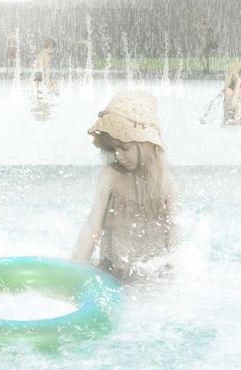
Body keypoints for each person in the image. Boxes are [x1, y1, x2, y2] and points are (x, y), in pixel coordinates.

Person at [70, 89, 177, 282]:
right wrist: (72, 273)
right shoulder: (111, 176)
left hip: (149, 273)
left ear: (146, 144)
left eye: (125, 147)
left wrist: (171, 276)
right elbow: (92, 226)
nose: (118, 155)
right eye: (113, 148)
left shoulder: (165, 185)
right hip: (110, 270)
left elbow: (172, 238)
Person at [220, 56, 241, 125]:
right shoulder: (228, 91)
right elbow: (232, 107)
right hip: (232, 130)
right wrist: (238, 83)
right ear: (238, 74)